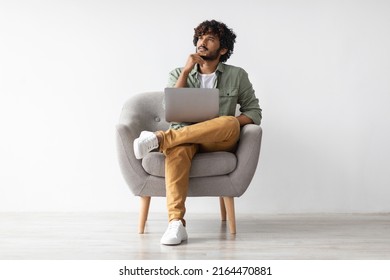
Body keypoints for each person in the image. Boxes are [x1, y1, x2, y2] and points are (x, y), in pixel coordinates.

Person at [133, 20, 262, 245]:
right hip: (185, 135)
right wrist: (185, 71)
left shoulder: (237, 75)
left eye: (210, 39)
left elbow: (254, 112)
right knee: (177, 149)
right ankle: (176, 224)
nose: (202, 42)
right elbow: (169, 112)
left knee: (229, 122)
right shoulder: (178, 73)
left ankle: (160, 139)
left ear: (222, 49)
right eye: (201, 37)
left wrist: (229, 122)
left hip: (218, 139)